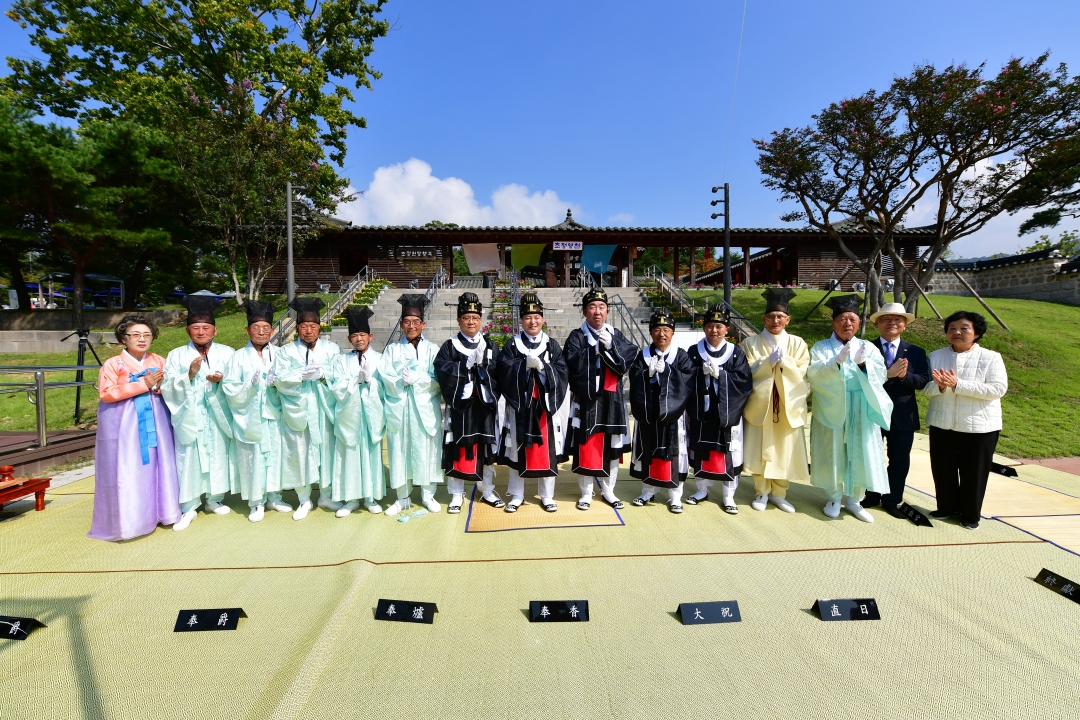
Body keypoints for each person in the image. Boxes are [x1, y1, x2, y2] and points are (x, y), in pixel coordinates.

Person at [88, 315, 181, 540]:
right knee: (128, 465)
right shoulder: (113, 364)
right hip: (124, 421)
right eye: (136, 335)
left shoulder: (159, 360)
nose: (142, 339)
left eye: (146, 335)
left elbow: (170, 387)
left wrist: (159, 387)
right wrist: (142, 385)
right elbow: (107, 393)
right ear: (123, 339)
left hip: (156, 418)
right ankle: (130, 520)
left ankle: (163, 511)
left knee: (160, 461)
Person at [807, 295, 893, 522]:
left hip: (861, 407)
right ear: (833, 323)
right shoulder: (821, 347)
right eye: (842, 319)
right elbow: (814, 375)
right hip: (832, 405)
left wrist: (864, 365)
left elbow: (881, 375)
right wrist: (834, 363)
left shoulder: (868, 347)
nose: (848, 323)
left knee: (861, 452)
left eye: (852, 319)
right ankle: (834, 497)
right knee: (832, 451)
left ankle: (855, 500)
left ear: (858, 323)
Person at [923, 311, 1008, 530]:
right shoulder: (936, 355)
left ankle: (970, 515)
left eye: (964, 328)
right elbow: (926, 388)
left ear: (977, 333)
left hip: (979, 427)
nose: (957, 332)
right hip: (943, 423)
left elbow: (997, 389)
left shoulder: (991, 357)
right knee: (943, 469)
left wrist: (958, 384)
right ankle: (946, 508)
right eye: (952, 328)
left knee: (974, 473)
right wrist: (941, 386)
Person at [161, 296, 236, 532]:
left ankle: (215, 499)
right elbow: (167, 386)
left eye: (206, 327)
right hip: (190, 414)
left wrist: (223, 381)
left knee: (217, 453)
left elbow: (238, 381)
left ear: (215, 329)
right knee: (189, 456)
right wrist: (189, 375)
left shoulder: (228, 352)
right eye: (196, 328)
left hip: (217, 413)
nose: (201, 332)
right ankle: (189, 505)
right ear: (187, 330)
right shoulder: (175, 355)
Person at [564, 287, 638, 511]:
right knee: (586, 445)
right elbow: (571, 365)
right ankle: (586, 492)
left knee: (612, 447)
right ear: (585, 311)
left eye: (602, 307)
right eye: (592, 307)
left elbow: (627, 358)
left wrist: (611, 346)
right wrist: (595, 349)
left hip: (612, 399)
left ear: (607, 311)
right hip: (587, 400)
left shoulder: (615, 334)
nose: (597, 312)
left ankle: (609, 490)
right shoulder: (577, 336)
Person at [496, 292, 570, 512]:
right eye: (528, 317)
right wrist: (522, 367)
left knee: (547, 450)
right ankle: (517, 495)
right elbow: (503, 370)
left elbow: (562, 371)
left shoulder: (552, 345)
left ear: (542, 318)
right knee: (516, 450)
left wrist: (544, 368)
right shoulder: (513, 344)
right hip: (521, 406)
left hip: (544, 407)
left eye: (536, 316)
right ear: (521, 320)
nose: (533, 321)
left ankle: (547, 495)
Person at [270, 296, 343, 520]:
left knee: (327, 451)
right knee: (299, 452)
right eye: (303, 326)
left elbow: (340, 377)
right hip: (297, 410)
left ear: (320, 327)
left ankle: (326, 495)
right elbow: (278, 378)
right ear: (297, 328)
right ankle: (303, 499)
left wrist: (323, 376)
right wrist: (300, 376)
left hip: (324, 409)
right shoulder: (285, 351)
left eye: (313, 326)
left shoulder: (332, 349)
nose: (308, 331)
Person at [221, 300, 292, 522]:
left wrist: (278, 383)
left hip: (274, 414)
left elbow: (291, 381)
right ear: (247, 330)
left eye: (266, 328)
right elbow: (230, 387)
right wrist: (249, 386)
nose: (261, 332)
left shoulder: (281, 354)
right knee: (252, 457)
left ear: (272, 330)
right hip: (250, 417)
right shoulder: (237, 357)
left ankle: (274, 495)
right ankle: (255, 501)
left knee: (275, 455)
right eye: (256, 328)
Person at [741, 289, 810, 514]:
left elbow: (802, 370)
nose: (775, 321)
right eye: (771, 316)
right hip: (762, 405)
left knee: (784, 449)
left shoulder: (797, 343)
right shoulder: (750, 342)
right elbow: (746, 370)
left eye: (780, 317)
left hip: (787, 405)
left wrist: (785, 363)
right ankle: (761, 491)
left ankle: (779, 493)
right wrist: (766, 363)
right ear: (763, 319)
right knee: (760, 449)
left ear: (788, 319)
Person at [435, 292, 504, 514]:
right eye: (466, 317)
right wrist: (464, 368)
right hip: (461, 406)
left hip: (483, 404)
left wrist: (482, 370)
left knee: (484, 448)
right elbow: (443, 371)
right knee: (458, 447)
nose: (471, 321)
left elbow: (499, 375)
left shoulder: (490, 345)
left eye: (475, 317)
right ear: (458, 320)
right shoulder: (450, 346)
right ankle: (456, 493)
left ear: (481, 320)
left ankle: (487, 489)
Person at [684, 306, 753, 514]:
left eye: (719, 326)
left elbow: (744, 382)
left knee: (729, 451)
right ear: (704, 328)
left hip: (727, 411)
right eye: (710, 326)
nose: (714, 330)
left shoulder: (735, 353)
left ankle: (728, 495)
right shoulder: (695, 352)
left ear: (727, 329)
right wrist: (700, 375)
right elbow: (685, 379)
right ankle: (701, 489)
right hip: (702, 411)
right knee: (701, 449)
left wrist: (720, 376)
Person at [863, 302, 929, 517]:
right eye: (886, 319)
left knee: (899, 459)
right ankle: (871, 495)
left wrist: (903, 376)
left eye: (897, 320)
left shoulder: (916, 352)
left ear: (905, 325)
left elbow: (922, 381)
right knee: (871, 456)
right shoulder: (865, 348)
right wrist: (885, 374)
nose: (892, 323)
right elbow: (855, 378)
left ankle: (892, 499)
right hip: (871, 410)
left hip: (902, 414)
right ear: (876, 323)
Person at [380, 294, 443, 515]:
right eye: (407, 322)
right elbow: (385, 378)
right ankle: (402, 497)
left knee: (427, 449)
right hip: (401, 408)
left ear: (423, 324)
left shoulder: (433, 350)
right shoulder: (392, 350)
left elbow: (439, 380)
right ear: (401, 324)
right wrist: (399, 380)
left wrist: (419, 380)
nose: (411, 326)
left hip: (425, 408)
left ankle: (428, 494)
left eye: (416, 322)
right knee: (400, 450)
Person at [628, 310, 695, 513]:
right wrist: (646, 375)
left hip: (673, 415)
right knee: (648, 450)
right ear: (651, 333)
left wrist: (668, 372)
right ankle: (648, 490)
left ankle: (675, 496)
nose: (662, 334)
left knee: (675, 453)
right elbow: (634, 377)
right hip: (648, 413)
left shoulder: (681, 356)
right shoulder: (644, 355)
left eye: (666, 330)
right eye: (657, 329)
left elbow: (688, 380)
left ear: (673, 333)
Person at [328, 305, 387, 517]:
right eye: (354, 335)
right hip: (350, 416)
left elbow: (386, 387)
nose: (359, 339)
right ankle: (351, 499)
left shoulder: (381, 359)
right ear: (348, 339)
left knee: (371, 454)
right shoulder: (342, 361)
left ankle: (370, 497)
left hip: (371, 415)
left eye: (362, 334)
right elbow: (336, 387)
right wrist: (354, 382)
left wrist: (372, 383)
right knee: (349, 456)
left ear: (370, 336)